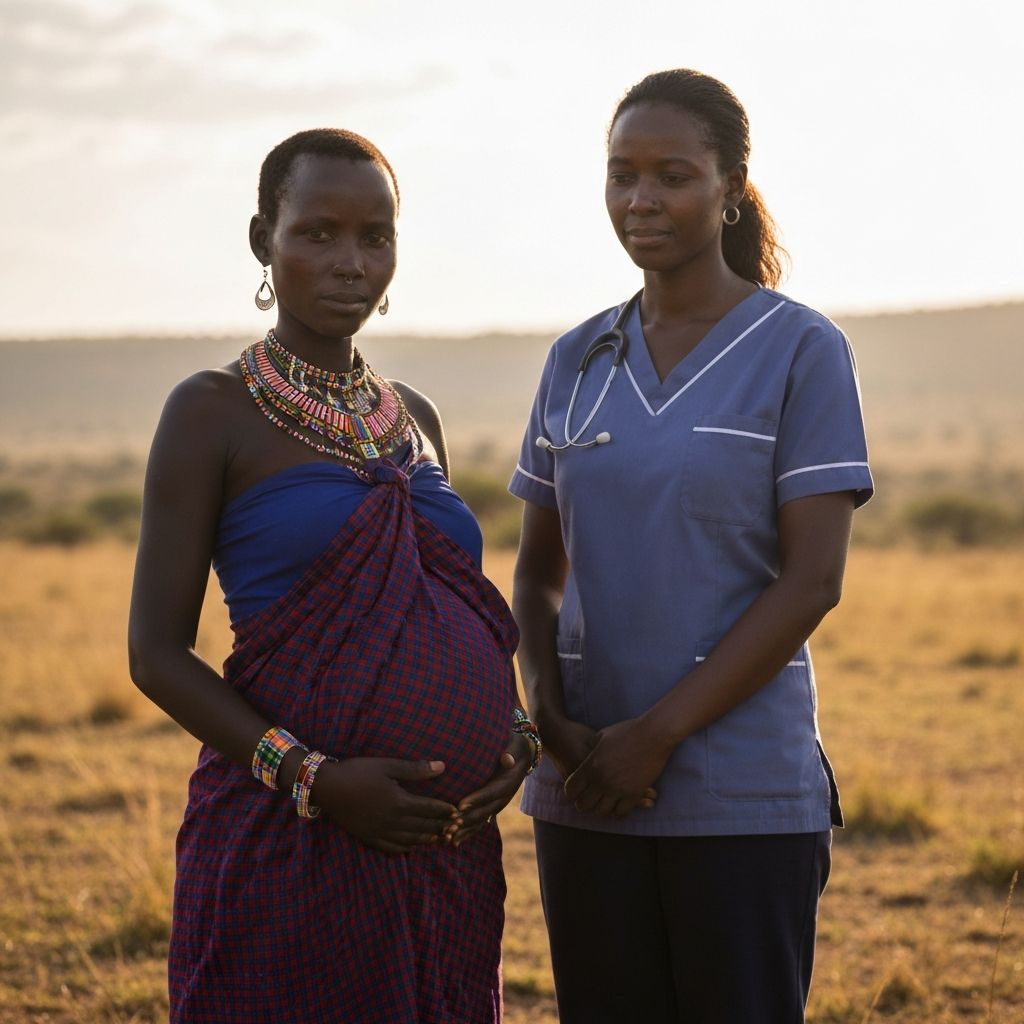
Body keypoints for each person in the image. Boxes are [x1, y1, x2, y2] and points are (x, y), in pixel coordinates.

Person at [128, 128, 538, 1023]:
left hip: (442, 851)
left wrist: (513, 732)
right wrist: (314, 778)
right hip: (288, 836)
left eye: (376, 237)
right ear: (262, 241)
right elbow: (156, 654)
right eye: (318, 233)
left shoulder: (416, 415)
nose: (351, 263)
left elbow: (451, 597)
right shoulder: (211, 412)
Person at [509, 69, 873, 1023]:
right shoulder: (575, 359)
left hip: (741, 793)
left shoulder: (800, 350)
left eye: (672, 174)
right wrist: (550, 716)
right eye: (621, 174)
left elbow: (813, 582)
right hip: (585, 785)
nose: (641, 200)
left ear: (731, 185)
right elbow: (537, 575)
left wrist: (656, 737)